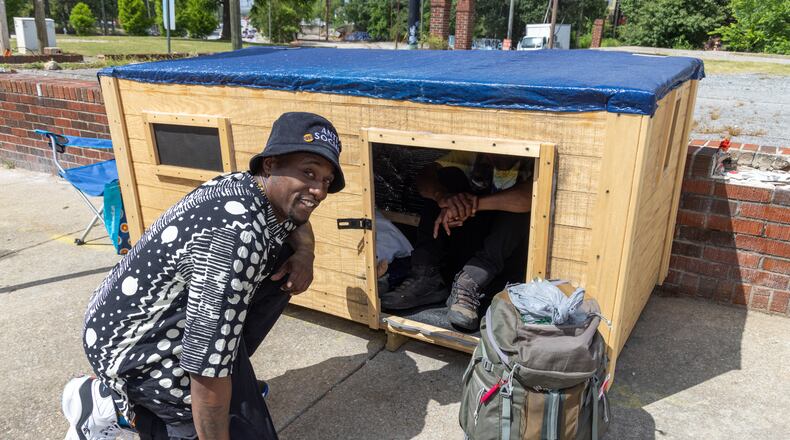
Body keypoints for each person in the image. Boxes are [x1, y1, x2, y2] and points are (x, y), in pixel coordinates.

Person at [61, 112, 345, 440]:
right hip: (127, 344)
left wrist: (305, 255)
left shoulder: (253, 189)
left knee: (281, 256)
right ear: (270, 165)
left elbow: (299, 219)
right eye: (308, 172)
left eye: (325, 180)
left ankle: (118, 400)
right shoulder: (235, 239)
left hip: (131, 317)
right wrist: (217, 409)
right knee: (214, 414)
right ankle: (124, 405)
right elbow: (206, 370)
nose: (319, 191)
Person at [379, 151, 533, 330]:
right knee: (448, 176)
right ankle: (426, 278)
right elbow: (425, 177)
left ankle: (470, 284)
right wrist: (445, 199)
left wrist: (470, 205)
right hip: (464, 251)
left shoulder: (531, 161)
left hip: (499, 264)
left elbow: (529, 196)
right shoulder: (472, 156)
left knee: (519, 205)